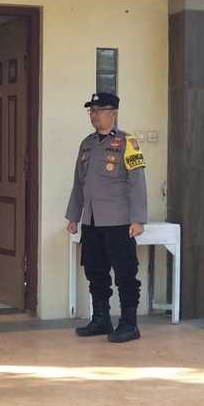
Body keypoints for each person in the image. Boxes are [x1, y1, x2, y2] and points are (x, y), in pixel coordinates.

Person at [65, 92, 148, 343]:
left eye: (99, 110)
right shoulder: (87, 144)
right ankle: (101, 319)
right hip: (91, 220)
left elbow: (137, 182)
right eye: (91, 111)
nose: (94, 115)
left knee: (125, 273)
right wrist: (74, 216)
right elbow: (79, 183)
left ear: (113, 113)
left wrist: (138, 219)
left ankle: (129, 323)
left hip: (119, 221)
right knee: (95, 270)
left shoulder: (127, 142)